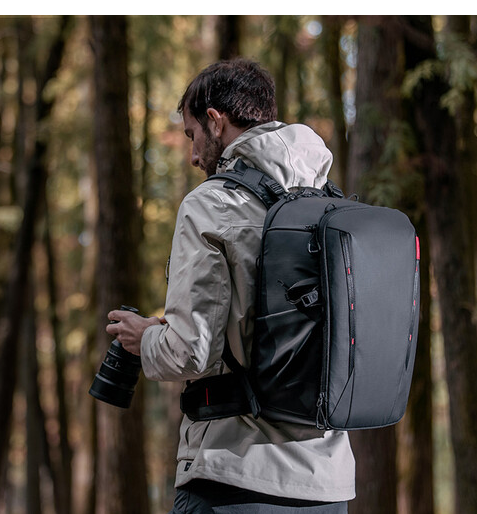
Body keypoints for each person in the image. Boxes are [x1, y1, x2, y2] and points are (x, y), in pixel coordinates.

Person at [106, 58, 355, 513]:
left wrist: (146, 338)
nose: (193, 155)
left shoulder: (211, 204)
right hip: (329, 485)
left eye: (191, 135)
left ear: (215, 121)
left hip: (234, 476)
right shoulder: (330, 205)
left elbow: (189, 353)